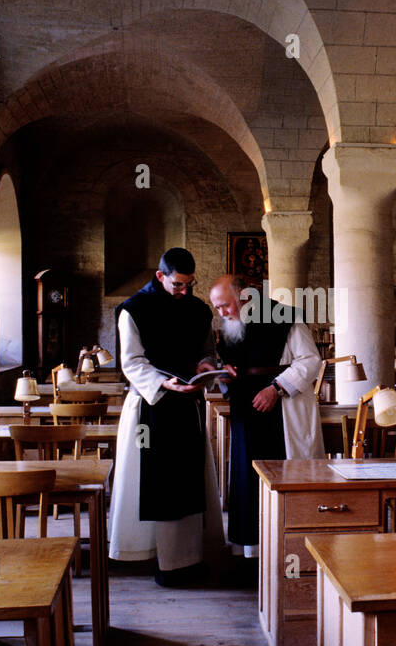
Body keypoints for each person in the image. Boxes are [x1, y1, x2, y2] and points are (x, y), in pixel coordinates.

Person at [108, 248, 224, 586]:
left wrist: (205, 366)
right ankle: (151, 556)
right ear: (161, 276)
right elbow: (131, 362)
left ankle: (187, 559)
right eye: (178, 285)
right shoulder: (133, 310)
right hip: (150, 408)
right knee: (153, 481)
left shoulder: (198, 310)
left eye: (190, 284)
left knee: (188, 481)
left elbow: (207, 351)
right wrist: (163, 383)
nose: (185, 292)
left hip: (188, 406)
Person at [208, 275, 326, 564]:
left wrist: (276, 388)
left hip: (282, 408)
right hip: (245, 411)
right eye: (217, 308)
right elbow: (230, 363)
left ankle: (289, 548)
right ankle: (251, 550)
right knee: (247, 478)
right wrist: (224, 374)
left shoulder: (286, 318)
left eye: (225, 305)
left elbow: (310, 360)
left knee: (282, 475)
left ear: (245, 296)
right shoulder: (231, 326)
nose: (222, 313)